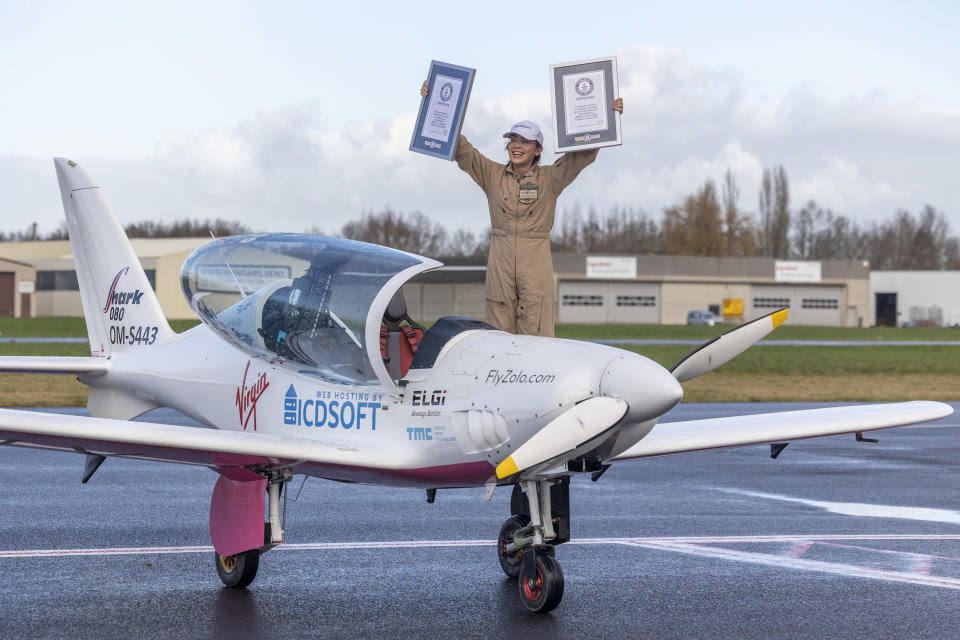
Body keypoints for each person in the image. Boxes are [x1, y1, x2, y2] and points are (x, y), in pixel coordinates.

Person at [420, 81, 623, 337]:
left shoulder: (551, 178)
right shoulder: (492, 175)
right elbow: (463, 150)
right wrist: (435, 104)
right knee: (497, 337)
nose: (516, 145)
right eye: (512, 140)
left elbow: (583, 154)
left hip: (535, 261)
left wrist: (608, 115)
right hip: (499, 261)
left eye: (525, 142)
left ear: (538, 150)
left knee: (537, 334)